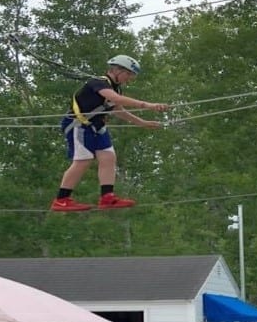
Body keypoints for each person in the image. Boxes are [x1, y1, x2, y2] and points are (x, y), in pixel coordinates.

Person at [50, 54, 169, 212]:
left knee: (108, 157)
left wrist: (142, 123)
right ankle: (61, 199)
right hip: (79, 125)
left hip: (97, 126)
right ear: (117, 70)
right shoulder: (98, 83)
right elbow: (115, 99)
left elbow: (118, 110)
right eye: (128, 74)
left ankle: (107, 197)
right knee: (83, 160)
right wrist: (147, 105)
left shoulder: (115, 88)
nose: (130, 79)